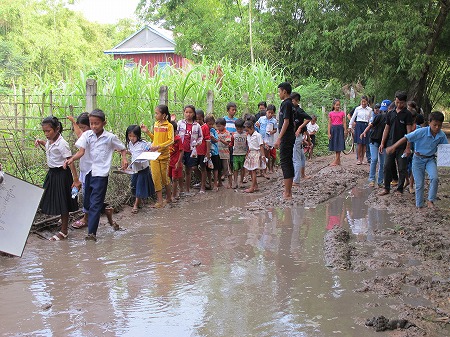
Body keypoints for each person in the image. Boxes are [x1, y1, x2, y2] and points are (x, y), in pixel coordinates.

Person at [64, 109, 128, 241]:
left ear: (104, 123)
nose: (93, 126)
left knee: (94, 204)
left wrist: (124, 158)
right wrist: (72, 159)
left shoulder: (110, 137)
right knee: (87, 201)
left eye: (96, 123)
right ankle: (107, 211)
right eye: (91, 123)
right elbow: (81, 151)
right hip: (87, 172)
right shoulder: (87, 135)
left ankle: (91, 233)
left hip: (101, 174)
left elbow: (122, 148)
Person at [386, 111, 447, 208]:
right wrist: (393, 146)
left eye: (439, 125)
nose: (437, 128)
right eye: (434, 125)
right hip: (418, 159)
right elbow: (406, 138)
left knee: (434, 178)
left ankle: (430, 200)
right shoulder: (421, 132)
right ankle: (419, 205)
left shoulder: (441, 135)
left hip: (430, 159)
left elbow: (446, 149)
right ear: (429, 122)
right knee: (419, 183)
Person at [67, 113, 117, 230]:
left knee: (88, 197)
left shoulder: (96, 137)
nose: (82, 131)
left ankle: (86, 217)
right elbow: (78, 133)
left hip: (95, 172)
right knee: (84, 195)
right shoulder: (85, 137)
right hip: (85, 171)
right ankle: (106, 211)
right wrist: (74, 123)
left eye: (84, 128)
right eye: (81, 128)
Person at [35, 116, 79, 241]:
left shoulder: (62, 144)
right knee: (47, 196)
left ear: (57, 129)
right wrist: (41, 142)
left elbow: (70, 161)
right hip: (52, 174)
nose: (46, 134)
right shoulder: (50, 140)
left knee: (63, 201)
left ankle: (64, 231)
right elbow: (50, 148)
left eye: (48, 131)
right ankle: (62, 220)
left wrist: (75, 180)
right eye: (44, 131)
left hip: (62, 174)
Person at [379, 91, 413, 195]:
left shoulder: (407, 114)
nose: (399, 105)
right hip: (390, 144)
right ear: (395, 100)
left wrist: (408, 147)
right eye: (397, 102)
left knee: (402, 167)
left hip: (402, 146)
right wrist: (382, 143)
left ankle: (400, 189)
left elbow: (409, 132)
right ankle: (386, 188)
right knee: (387, 166)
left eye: (401, 103)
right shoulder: (390, 113)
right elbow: (386, 129)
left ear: (405, 102)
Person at [141, 104, 174, 208]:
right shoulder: (156, 124)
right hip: (154, 155)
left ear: (164, 115)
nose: (155, 115)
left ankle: (169, 197)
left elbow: (171, 140)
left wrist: (159, 146)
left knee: (164, 178)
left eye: (157, 113)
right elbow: (155, 138)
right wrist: (147, 132)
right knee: (155, 177)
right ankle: (160, 201)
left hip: (164, 156)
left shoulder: (169, 126)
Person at [360, 99, 391, 187]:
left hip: (384, 143)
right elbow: (371, 125)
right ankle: (372, 179)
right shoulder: (379, 117)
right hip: (374, 140)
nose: (384, 111)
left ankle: (380, 181)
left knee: (382, 163)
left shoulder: (392, 118)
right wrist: (364, 132)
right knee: (374, 159)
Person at [126, 125, 155, 214]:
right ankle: (140, 202)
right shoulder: (130, 144)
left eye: (134, 136)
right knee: (134, 187)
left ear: (138, 135)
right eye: (130, 136)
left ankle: (135, 205)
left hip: (143, 169)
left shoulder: (143, 144)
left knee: (139, 187)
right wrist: (123, 151)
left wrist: (150, 151)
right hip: (135, 169)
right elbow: (132, 153)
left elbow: (151, 148)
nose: (132, 138)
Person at [274, 82, 296, 199]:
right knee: (287, 161)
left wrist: (279, 138)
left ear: (284, 92)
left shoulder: (286, 104)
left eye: (279, 91)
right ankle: (288, 191)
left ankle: (287, 192)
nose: (279, 94)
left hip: (287, 137)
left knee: (285, 162)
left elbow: (286, 122)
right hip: (289, 136)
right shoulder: (290, 104)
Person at [177, 105, 203, 194]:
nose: (188, 114)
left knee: (188, 170)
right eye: (186, 112)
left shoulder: (197, 126)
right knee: (180, 169)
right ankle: (181, 189)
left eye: (190, 112)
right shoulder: (180, 123)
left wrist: (197, 143)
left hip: (191, 151)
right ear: (184, 113)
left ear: (194, 114)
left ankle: (187, 189)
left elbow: (200, 137)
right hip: (180, 151)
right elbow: (176, 134)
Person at [291, 92, 312, 184]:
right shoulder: (292, 110)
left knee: (296, 159)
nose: (291, 102)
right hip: (298, 137)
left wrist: (299, 128)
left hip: (297, 137)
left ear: (297, 101)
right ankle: (302, 175)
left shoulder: (298, 110)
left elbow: (308, 118)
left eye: (293, 100)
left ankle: (296, 180)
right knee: (301, 157)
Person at [243, 120, 266, 193]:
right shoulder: (248, 135)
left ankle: (252, 187)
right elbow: (249, 146)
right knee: (250, 170)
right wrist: (247, 153)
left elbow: (261, 145)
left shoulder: (258, 135)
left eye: (248, 130)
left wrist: (263, 156)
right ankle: (255, 186)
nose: (247, 132)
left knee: (253, 171)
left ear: (252, 128)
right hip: (251, 153)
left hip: (256, 153)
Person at [349, 95, 372, 164]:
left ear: (367, 102)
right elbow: (353, 118)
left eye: (365, 101)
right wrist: (350, 126)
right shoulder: (357, 109)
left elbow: (370, 118)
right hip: (359, 125)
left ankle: (363, 158)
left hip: (366, 126)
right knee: (359, 143)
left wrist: (370, 124)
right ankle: (359, 159)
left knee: (364, 143)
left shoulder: (370, 110)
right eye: (362, 101)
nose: (363, 103)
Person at [256, 104, 278, 174]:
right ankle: (261, 171)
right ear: (266, 111)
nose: (270, 114)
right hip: (261, 139)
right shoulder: (261, 119)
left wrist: (272, 132)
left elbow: (275, 130)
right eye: (269, 112)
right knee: (260, 155)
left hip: (268, 140)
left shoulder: (274, 121)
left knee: (267, 155)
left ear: (274, 113)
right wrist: (258, 125)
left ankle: (266, 170)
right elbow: (257, 126)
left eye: (272, 113)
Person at [195, 109, 211, 193]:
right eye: (196, 119)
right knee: (194, 167)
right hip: (195, 151)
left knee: (203, 168)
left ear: (203, 118)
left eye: (199, 119)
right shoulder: (194, 126)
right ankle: (203, 181)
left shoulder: (205, 127)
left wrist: (207, 152)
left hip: (203, 151)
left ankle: (203, 186)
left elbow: (208, 140)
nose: (197, 121)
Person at [328, 99, 347, 166]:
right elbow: (329, 123)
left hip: (340, 129)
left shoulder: (342, 113)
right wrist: (329, 133)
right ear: (334, 105)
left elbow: (344, 122)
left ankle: (336, 161)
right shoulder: (330, 113)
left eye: (339, 105)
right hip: (333, 129)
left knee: (339, 144)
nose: (338, 106)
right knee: (335, 144)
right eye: (336, 105)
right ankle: (338, 160)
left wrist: (345, 130)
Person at [216, 117, 233, 189]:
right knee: (219, 169)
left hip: (225, 154)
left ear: (224, 125)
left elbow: (227, 143)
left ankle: (230, 183)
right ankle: (220, 182)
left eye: (220, 126)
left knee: (227, 169)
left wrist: (221, 140)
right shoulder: (216, 132)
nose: (218, 128)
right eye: (217, 126)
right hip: (218, 153)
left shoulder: (227, 133)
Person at [205, 114, 220, 191]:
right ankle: (210, 183)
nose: (210, 125)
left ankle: (215, 184)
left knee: (215, 168)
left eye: (212, 124)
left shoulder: (213, 131)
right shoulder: (204, 129)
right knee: (208, 169)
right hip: (207, 153)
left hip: (214, 152)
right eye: (209, 124)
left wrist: (212, 138)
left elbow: (217, 140)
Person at [169, 120, 184, 200]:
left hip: (176, 163)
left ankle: (173, 195)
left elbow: (182, 151)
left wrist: (178, 162)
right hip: (169, 162)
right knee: (171, 178)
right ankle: (175, 191)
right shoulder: (167, 139)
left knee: (174, 179)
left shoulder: (177, 139)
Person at [231, 118, 247, 188]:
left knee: (243, 168)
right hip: (235, 154)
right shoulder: (234, 135)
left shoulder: (246, 134)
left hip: (243, 154)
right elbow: (231, 144)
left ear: (243, 128)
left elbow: (247, 144)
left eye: (241, 129)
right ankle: (235, 182)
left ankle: (241, 181)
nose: (239, 130)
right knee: (235, 168)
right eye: (238, 129)